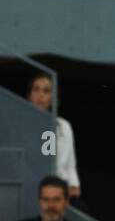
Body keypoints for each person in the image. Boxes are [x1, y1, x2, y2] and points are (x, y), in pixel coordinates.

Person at [27, 72, 81, 200]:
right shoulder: (20, 124)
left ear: (53, 97)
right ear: (29, 95)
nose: (41, 95)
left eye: (46, 91)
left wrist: (74, 184)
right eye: (36, 89)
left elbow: (70, 164)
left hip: (62, 188)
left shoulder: (63, 126)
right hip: (33, 188)